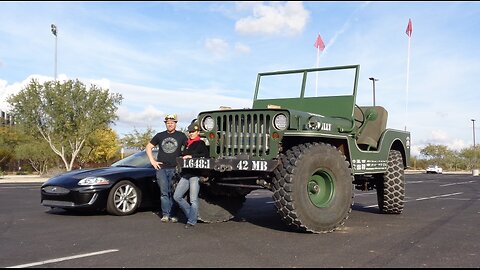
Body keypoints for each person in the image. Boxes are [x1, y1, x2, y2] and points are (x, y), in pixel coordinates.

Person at [146, 113, 188, 223]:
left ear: (175, 123)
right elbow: (149, 147)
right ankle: (165, 214)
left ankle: (173, 214)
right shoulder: (160, 136)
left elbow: (189, 147)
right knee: (164, 192)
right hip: (161, 168)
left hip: (175, 168)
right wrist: (152, 161)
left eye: (172, 122)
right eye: (168, 123)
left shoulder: (181, 136)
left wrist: (186, 156)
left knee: (174, 193)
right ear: (165, 124)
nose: (170, 124)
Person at [173, 121, 209, 229]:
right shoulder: (187, 144)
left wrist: (191, 156)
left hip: (195, 174)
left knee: (193, 199)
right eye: (190, 132)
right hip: (185, 174)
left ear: (198, 132)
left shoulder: (201, 143)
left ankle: (191, 221)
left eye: (193, 131)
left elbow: (205, 155)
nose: (191, 133)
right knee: (177, 196)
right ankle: (191, 215)